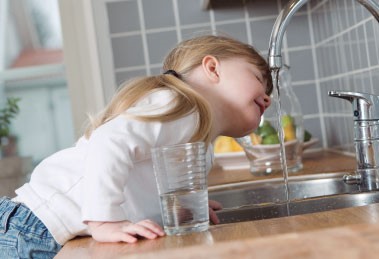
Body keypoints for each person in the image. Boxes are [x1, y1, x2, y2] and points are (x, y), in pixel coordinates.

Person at [0, 34, 272, 258]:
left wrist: (184, 207)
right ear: (212, 68)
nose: (268, 99)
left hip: (44, 229)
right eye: (260, 80)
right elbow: (109, 143)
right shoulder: (180, 106)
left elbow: (142, 183)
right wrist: (105, 222)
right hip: (31, 226)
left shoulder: (199, 140)